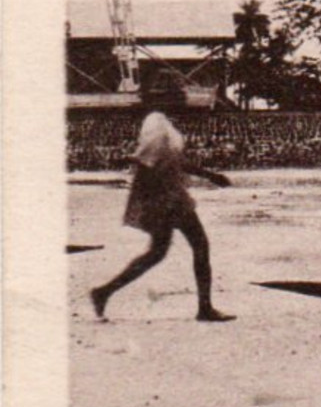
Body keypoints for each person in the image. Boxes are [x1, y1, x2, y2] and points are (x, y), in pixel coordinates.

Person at [90, 103, 234, 322]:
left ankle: (104, 292)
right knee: (197, 245)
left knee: (158, 252)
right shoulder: (156, 121)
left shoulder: (162, 122)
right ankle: (204, 308)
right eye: (174, 95)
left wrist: (210, 175)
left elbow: (175, 161)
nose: (181, 99)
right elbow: (147, 160)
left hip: (169, 195)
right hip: (167, 197)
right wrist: (152, 199)